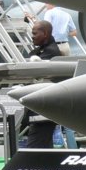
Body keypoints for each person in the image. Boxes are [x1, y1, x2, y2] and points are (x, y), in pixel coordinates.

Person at [23, 20, 60, 148]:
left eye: (35, 33)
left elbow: (33, 74)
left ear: (45, 33)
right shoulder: (41, 51)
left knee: (34, 148)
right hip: (41, 110)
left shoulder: (51, 52)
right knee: (44, 147)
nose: (32, 37)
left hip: (43, 109)